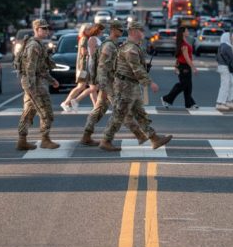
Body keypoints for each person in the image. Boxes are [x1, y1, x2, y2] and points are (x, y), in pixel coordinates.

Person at [100, 21, 172, 152]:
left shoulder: (133, 46)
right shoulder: (130, 49)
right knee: (119, 114)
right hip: (125, 86)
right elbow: (136, 69)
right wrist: (150, 83)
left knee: (140, 114)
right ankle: (106, 140)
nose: (143, 33)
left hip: (131, 85)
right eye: (141, 30)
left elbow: (137, 67)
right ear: (133, 32)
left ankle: (154, 138)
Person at [79, 20, 148, 146]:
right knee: (121, 110)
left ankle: (86, 135)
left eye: (123, 30)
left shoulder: (114, 45)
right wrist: (104, 85)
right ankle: (139, 135)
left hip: (110, 82)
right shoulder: (108, 46)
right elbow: (102, 67)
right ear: (113, 30)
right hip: (108, 83)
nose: (122, 32)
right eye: (119, 30)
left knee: (99, 109)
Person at [16, 18, 60, 150]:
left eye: (47, 28)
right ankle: (45, 140)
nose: (47, 31)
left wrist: (52, 80)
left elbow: (40, 69)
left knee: (29, 111)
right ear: (36, 29)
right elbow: (30, 68)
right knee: (46, 112)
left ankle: (22, 140)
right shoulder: (34, 46)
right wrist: (31, 88)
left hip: (35, 81)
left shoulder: (38, 44)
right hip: (33, 83)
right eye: (44, 28)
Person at [61, 23, 103, 111]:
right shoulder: (84, 39)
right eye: (89, 29)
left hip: (86, 66)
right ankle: (66, 102)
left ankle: (96, 106)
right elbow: (84, 52)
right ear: (84, 31)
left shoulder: (87, 38)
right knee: (81, 86)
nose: (90, 31)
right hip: (83, 67)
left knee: (91, 87)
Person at [161, 25, 198, 109]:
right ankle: (166, 99)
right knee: (183, 85)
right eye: (187, 31)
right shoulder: (184, 44)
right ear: (183, 33)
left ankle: (189, 103)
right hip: (184, 67)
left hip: (184, 66)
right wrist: (193, 67)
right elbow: (186, 58)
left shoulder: (183, 42)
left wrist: (176, 66)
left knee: (188, 86)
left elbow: (178, 56)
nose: (188, 32)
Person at [215, 31, 233, 111]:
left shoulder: (221, 46)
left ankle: (229, 101)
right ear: (227, 37)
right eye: (230, 37)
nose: (231, 38)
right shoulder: (227, 46)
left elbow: (217, 58)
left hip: (222, 67)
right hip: (224, 68)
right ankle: (220, 103)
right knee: (225, 85)